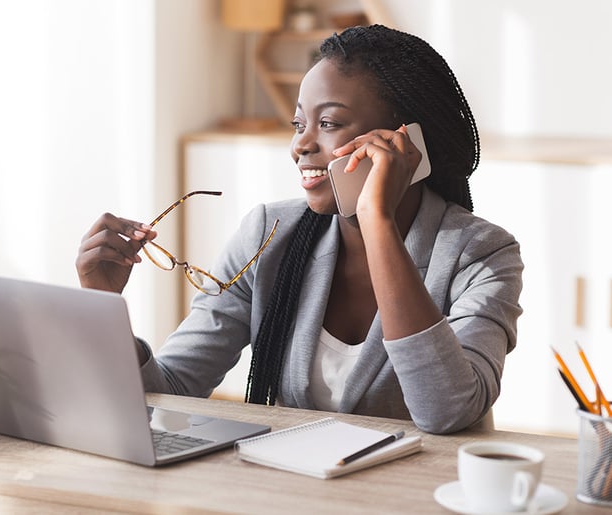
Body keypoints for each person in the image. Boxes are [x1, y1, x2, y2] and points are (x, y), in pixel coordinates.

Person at [75, 25, 523, 435]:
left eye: (327, 123)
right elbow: (170, 393)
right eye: (298, 124)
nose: (300, 145)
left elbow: (447, 411)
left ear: (406, 143)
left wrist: (377, 222)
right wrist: (101, 307)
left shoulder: (482, 254)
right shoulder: (268, 236)